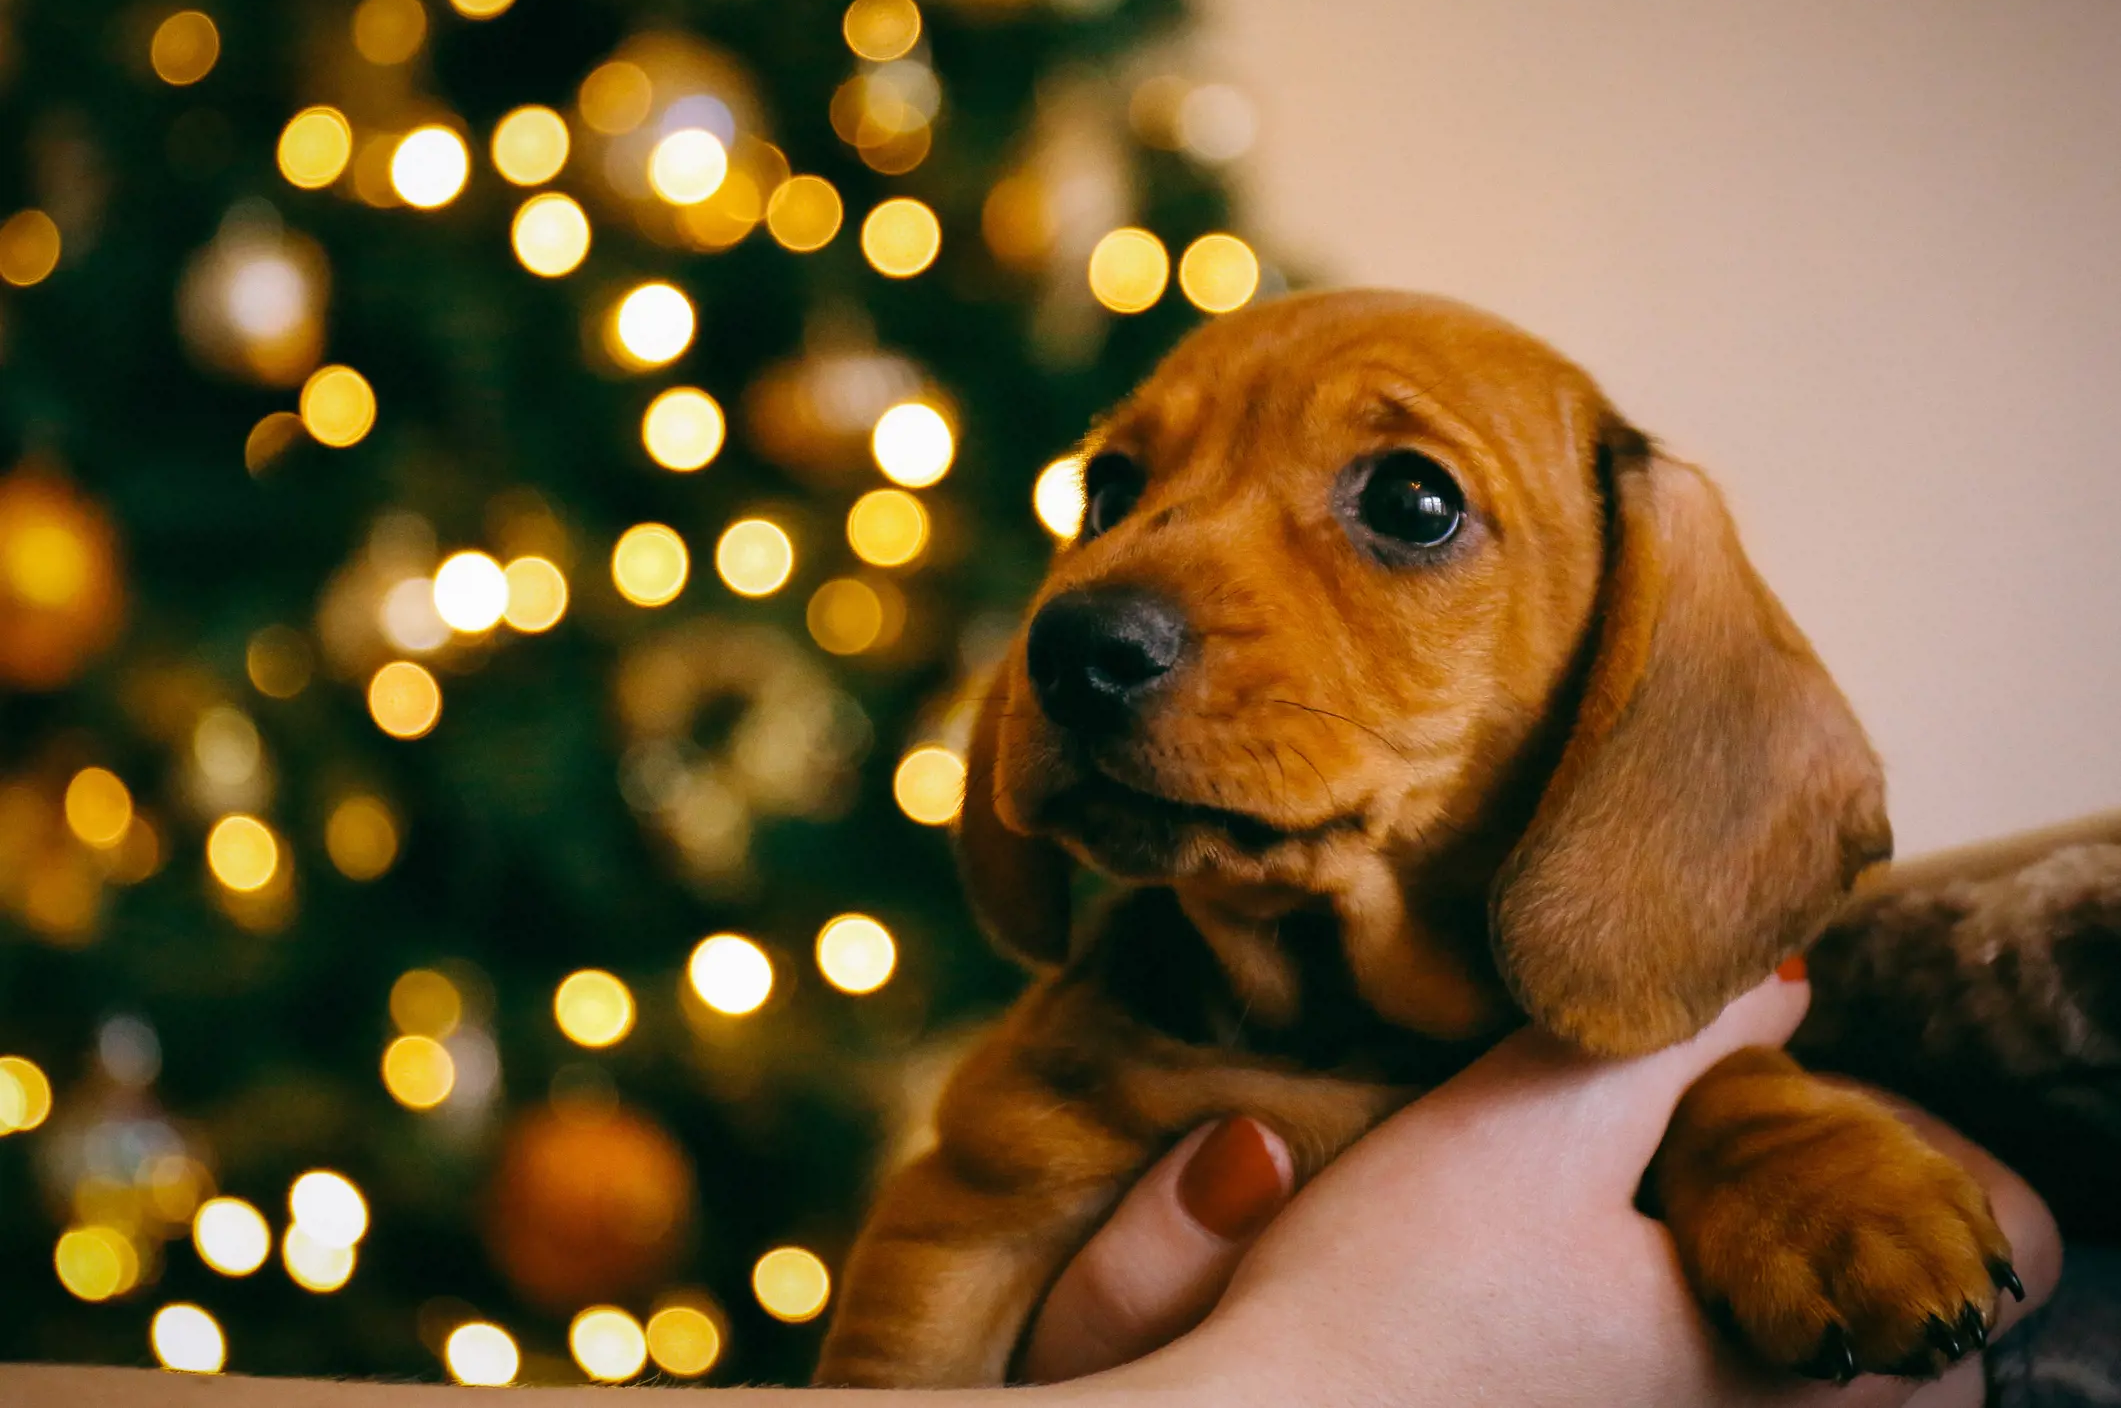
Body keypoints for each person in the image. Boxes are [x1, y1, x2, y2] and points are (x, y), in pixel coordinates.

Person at [0, 974, 2066, 1407]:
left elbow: (2000, 1219)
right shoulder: (1101, 1040)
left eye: (1409, 508)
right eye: (1116, 499)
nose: (1123, 596)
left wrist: (1775, 1137)